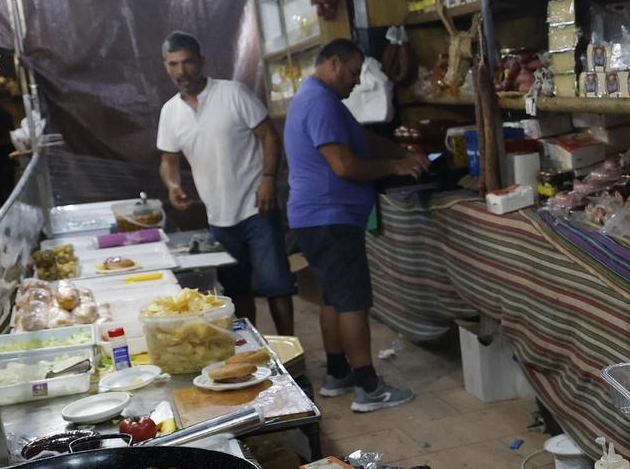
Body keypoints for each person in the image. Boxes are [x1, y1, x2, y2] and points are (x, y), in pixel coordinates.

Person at [284, 39, 427, 412]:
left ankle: (337, 373)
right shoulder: (319, 101)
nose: (356, 81)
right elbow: (345, 166)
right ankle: (368, 387)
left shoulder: (319, 98)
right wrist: (395, 167)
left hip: (315, 217)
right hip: (330, 216)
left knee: (333, 296)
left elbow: (361, 138)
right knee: (351, 301)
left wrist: (400, 151)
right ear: (333, 63)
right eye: (352, 72)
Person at [155, 31, 295, 337]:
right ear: (166, 67)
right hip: (218, 219)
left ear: (201, 60)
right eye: (174, 64)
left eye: (188, 62)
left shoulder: (233, 93)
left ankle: (292, 357)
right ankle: (255, 353)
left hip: (257, 208)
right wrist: (173, 186)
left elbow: (270, 135)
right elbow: (169, 160)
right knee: (237, 293)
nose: (182, 71)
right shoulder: (170, 112)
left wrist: (269, 179)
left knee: (277, 288)